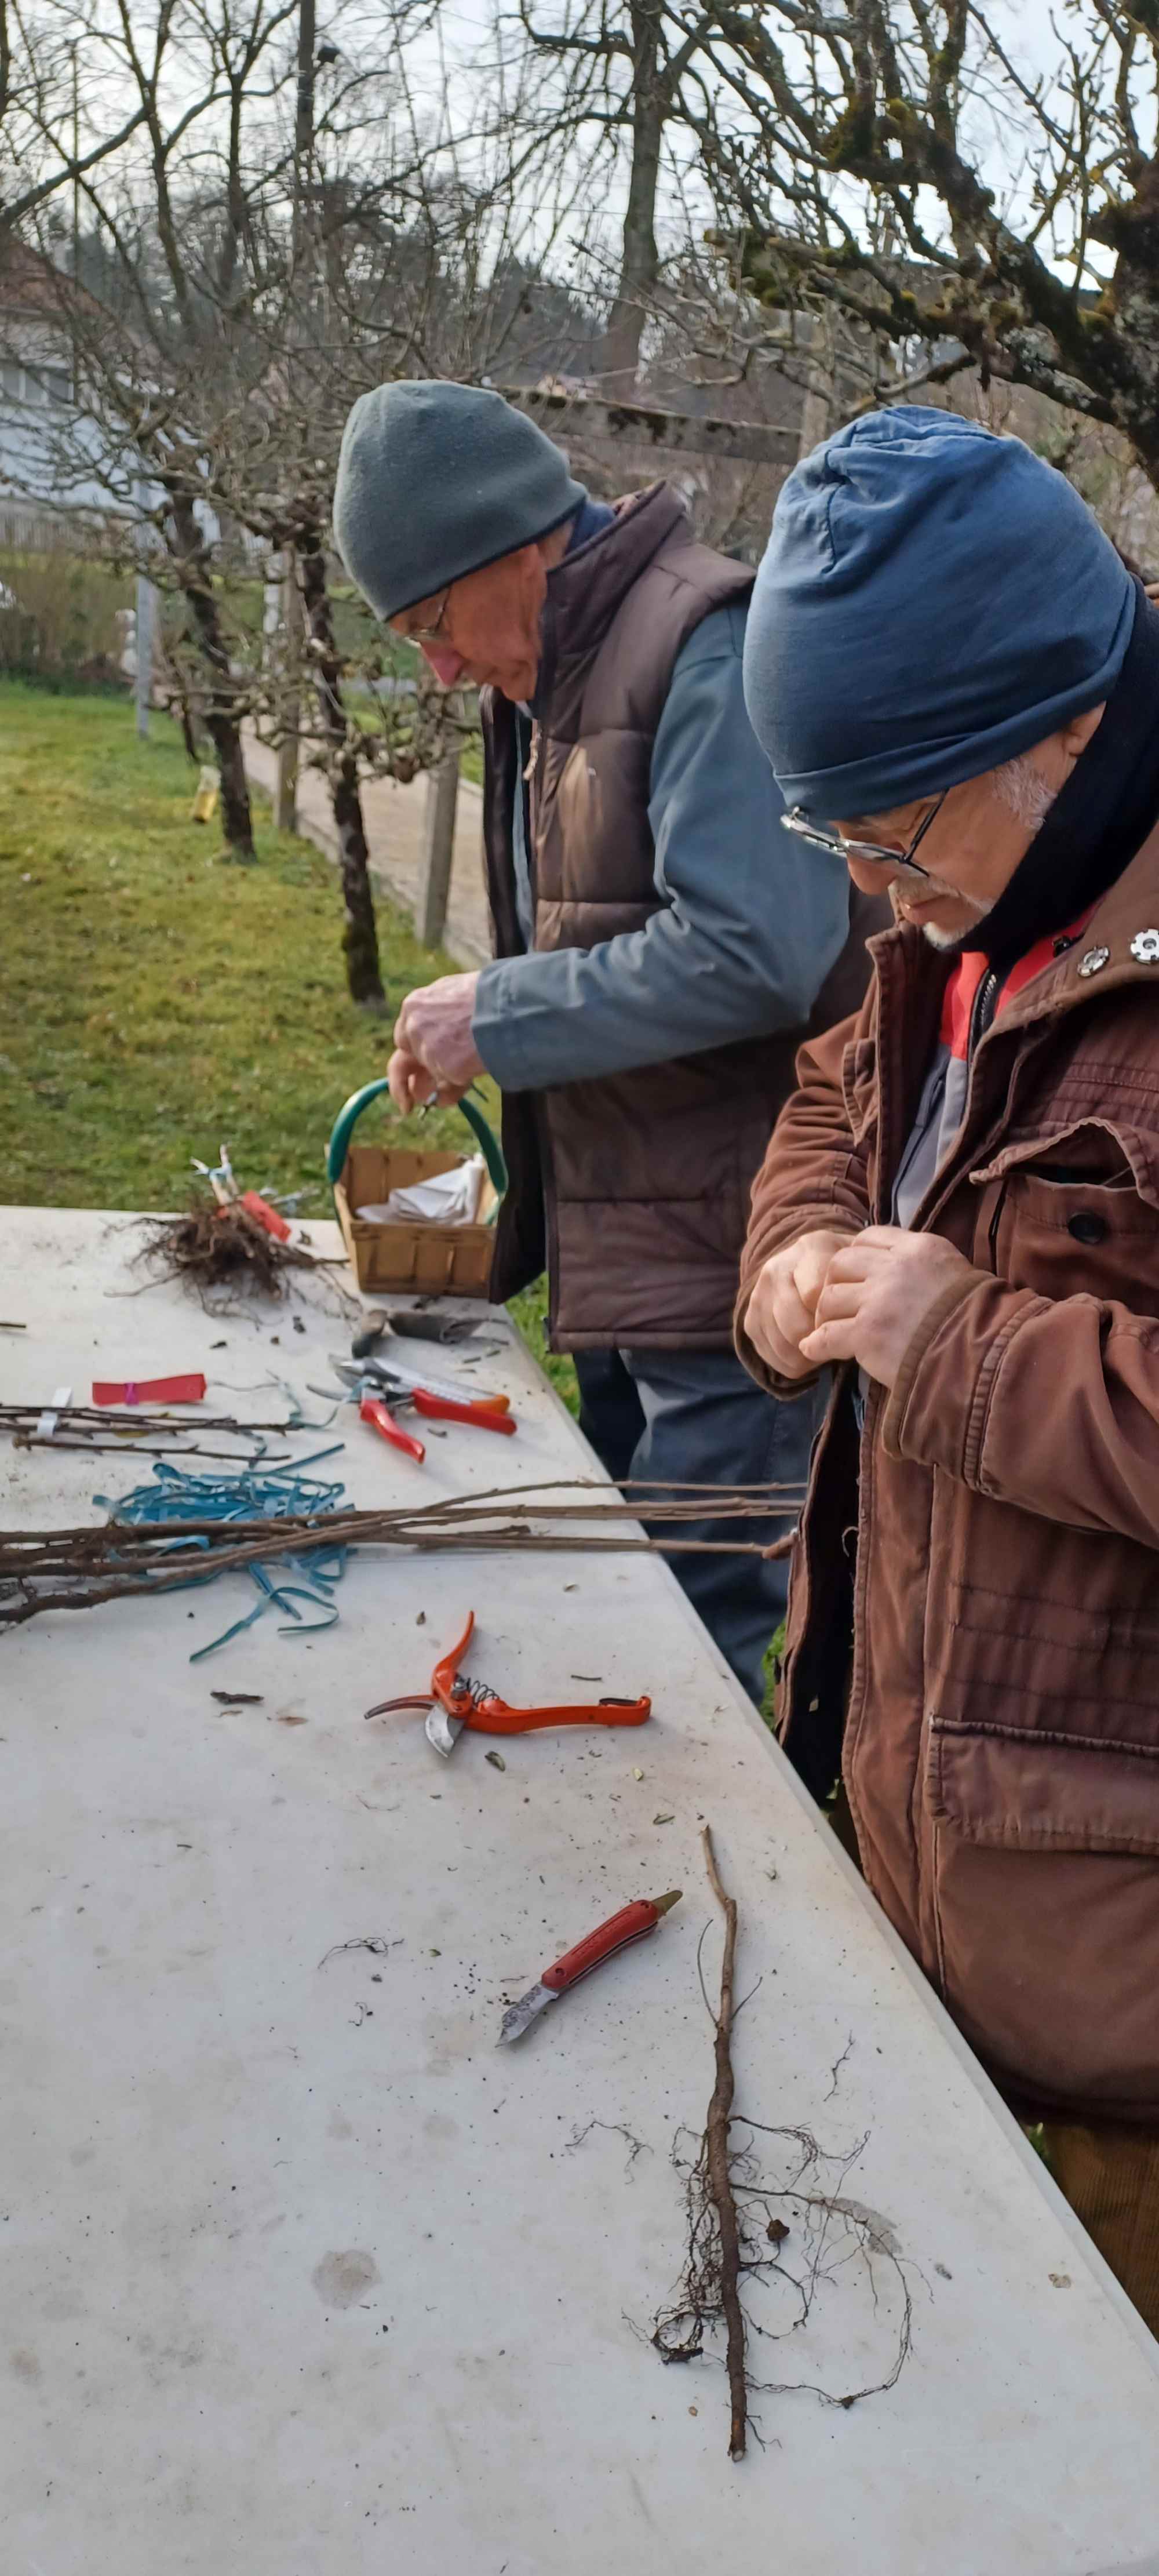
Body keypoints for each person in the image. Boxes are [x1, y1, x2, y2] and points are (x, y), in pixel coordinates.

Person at [737, 402, 1159, 2328]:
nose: (869, 894)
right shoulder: (983, 902)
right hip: (926, 1896)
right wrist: (795, 1254)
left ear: (1060, 730)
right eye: (837, 838)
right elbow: (841, 1087)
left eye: (888, 836)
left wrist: (965, 1352)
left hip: (1124, 2041)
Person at [333, 379, 879, 1706]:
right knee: (624, 1601)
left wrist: (496, 1013)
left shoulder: (700, 645)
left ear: (515, 543)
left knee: (676, 1643)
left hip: (737, 1261)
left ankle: (724, 1892)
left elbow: (760, 947)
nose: (439, 665)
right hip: (632, 1245)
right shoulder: (557, 674)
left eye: (434, 622)